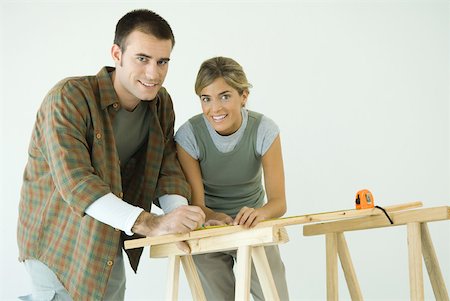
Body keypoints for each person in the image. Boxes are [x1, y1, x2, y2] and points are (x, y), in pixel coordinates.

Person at [17, 9, 205, 300]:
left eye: (162, 61)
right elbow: (77, 183)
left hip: (108, 235)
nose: (153, 74)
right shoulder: (69, 98)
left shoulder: (160, 104)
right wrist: (152, 223)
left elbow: (167, 169)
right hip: (58, 241)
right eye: (142, 59)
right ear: (117, 54)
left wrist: (177, 216)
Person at [175, 56, 289, 300]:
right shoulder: (188, 136)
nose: (214, 109)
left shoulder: (264, 130)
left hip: (253, 225)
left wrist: (261, 213)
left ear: (244, 96)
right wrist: (215, 218)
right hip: (209, 226)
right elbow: (198, 205)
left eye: (225, 96)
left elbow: (279, 202)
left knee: (275, 295)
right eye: (206, 99)